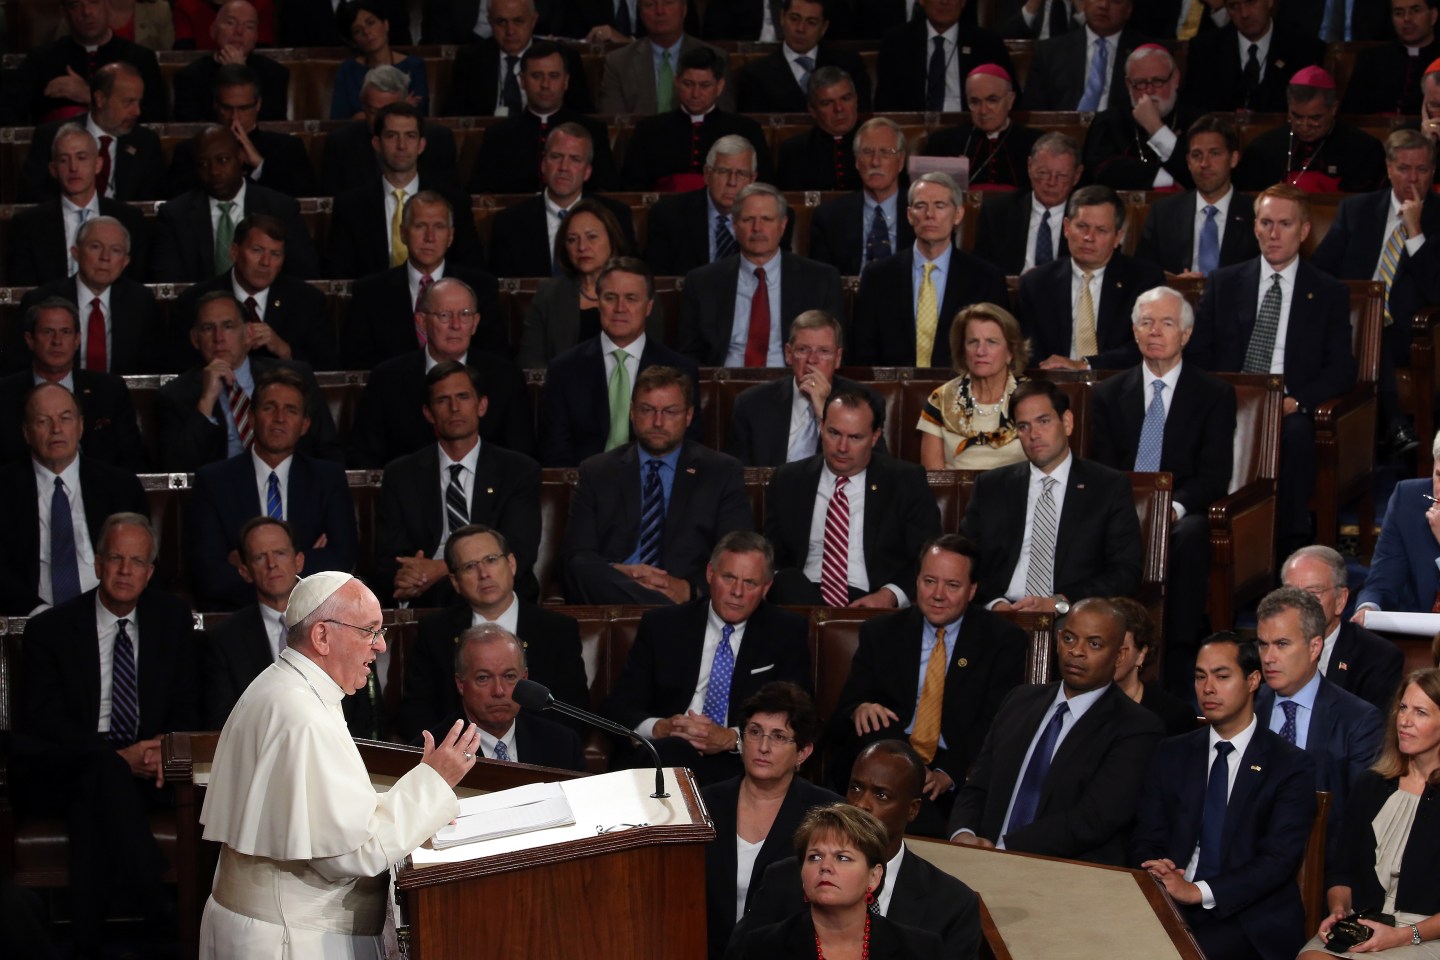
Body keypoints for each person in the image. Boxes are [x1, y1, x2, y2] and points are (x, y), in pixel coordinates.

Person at [198, 571, 480, 958]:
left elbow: (327, 815)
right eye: (369, 631)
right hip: (291, 940)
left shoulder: (283, 687)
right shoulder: (303, 714)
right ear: (322, 637)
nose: (380, 646)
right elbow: (353, 853)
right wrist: (433, 783)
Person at [19, 513, 199, 955]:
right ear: (98, 564)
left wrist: (160, 748)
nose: (125, 570)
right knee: (98, 775)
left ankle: (88, 942)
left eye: (137, 561)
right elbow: (44, 720)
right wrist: (116, 757)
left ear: (150, 572)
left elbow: (189, 701)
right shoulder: (51, 629)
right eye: (116, 558)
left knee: (96, 794)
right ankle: (154, 898)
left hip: (150, 772)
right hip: (70, 767)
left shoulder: (171, 619)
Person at [1186, 183, 1358, 560]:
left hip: (1290, 405)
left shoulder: (1328, 291)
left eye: (1284, 223)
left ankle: (1289, 545)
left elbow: (1341, 369)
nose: (1274, 233)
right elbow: (1199, 355)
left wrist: (1298, 401)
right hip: (1227, 400)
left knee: (1295, 435)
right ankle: (1202, 534)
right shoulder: (1225, 282)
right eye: (1266, 223)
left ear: (1305, 230)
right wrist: (1220, 397)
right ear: (1255, 227)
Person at [1132, 632, 1317, 960]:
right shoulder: (1171, 752)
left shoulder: (1289, 765)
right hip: (1168, 902)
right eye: (1200, 677)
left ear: (1253, 680)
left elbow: (1276, 861)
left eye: (1222, 676)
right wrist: (1158, 871)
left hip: (1249, 917)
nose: (1208, 688)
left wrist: (1197, 891)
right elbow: (1147, 836)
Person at [1090, 285, 1236, 694]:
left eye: (1167, 323)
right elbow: (1102, 468)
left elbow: (1214, 475)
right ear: (1134, 332)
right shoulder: (1106, 393)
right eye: (1146, 322)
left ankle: (1176, 663)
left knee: (1188, 537)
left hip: (1179, 512)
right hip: (1121, 508)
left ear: (1185, 335)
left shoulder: (1214, 394)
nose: (1155, 331)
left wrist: (1172, 508)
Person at [947, 597, 1166, 863]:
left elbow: (1094, 818)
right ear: (1059, 638)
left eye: (1094, 644)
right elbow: (978, 785)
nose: (1077, 651)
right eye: (1070, 639)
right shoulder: (1020, 700)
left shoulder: (1137, 727)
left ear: (1119, 655)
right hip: (981, 858)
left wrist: (1002, 850)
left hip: (1064, 873)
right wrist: (963, 834)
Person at [836, 535, 1028, 834]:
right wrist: (861, 707)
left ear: (972, 589)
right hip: (887, 758)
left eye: (952, 585)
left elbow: (995, 723)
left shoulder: (1002, 641)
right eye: (929, 581)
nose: (938, 594)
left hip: (952, 771)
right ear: (916, 581)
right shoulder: (881, 633)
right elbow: (848, 703)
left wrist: (948, 774)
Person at [740, 741, 982, 958]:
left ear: (913, 809)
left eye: (881, 795)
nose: (861, 804)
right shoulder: (783, 879)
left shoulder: (953, 905)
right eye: (855, 788)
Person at [603, 531, 809, 780]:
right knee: (672, 751)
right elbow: (620, 707)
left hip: (743, 765)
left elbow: (799, 717)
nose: (737, 591)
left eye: (750, 583)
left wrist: (732, 738)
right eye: (729, 577)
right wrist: (661, 728)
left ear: (766, 587)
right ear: (710, 574)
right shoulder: (662, 626)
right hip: (666, 755)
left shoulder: (786, 632)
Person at [563, 365, 751, 603]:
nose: (658, 422)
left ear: (689, 415)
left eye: (670, 411)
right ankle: (659, 606)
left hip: (682, 592)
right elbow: (577, 555)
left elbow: (738, 554)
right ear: (632, 412)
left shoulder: (721, 471)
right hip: (614, 588)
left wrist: (688, 589)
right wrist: (622, 573)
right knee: (579, 568)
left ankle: (659, 607)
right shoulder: (597, 471)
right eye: (647, 410)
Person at [1312, 128, 1440, 461]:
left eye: (1422, 170)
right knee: (1367, 321)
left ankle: (1395, 422)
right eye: (1404, 169)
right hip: (1348, 323)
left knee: (1375, 325)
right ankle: (1392, 426)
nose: (1412, 178)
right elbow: (1320, 272)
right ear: (1388, 168)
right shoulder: (1357, 210)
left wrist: (1415, 233)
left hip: (1412, 333)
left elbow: (1437, 290)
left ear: (1433, 171)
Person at [397, 523, 588, 743]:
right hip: (459, 756)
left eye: (491, 560)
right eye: (469, 566)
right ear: (455, 582)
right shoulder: (435, 631)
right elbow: (416, 711)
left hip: (539, 756)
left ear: (512, 564)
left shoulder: (557, 629)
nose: (484, 574)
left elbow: (573, 711)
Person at [186, 367, 358, 610]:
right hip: (242, 617)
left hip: (313, 614)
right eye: (269, 408)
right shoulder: (213, 481)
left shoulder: (328, 478)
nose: (279, 418)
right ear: (252, 417)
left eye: (291, 410)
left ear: (305, 424)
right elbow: (209, 573)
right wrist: (302, 560)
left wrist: (250, 564)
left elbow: (341, 560)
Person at [962, 379, 1143, 609]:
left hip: (1073, 617)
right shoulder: (991, 487)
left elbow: (1125, 573)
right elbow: (966, 563)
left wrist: (1060, 603)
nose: (1034, 434)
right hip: (1000, 614)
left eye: (1044, 421)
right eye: (1023, 426)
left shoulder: (1108, 487)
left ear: (1067, 422)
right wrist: (996, 604)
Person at [1297, 668, 1440, 959]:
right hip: (1364, 922)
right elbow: (1342, 871)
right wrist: (1338, 910)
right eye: (1402, 708)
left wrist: (1402, 935)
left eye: (1421, 712)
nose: (1405, 721)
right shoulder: (1371, 784)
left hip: (1423, 933)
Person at [374, 360, 541, 607]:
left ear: (481, 405)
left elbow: (518, 551)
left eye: (463, 397)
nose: (454, 408)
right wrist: (412, 575)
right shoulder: (401, 474)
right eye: (442, 400)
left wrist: (443, 568)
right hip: (427, 594)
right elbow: (389, 557)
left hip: (498, 589)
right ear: (428, 413)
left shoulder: (518, 470)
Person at [201, 516, 386, 738]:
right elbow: (224, 722)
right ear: (245, 571)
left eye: (280, 553)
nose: (272, 564)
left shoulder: (349, 625)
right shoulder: (223, 639)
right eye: (260, 557)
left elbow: (369, 716)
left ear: (299, 560)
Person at [1254, 587, 1386, 884]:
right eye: (1263, 645)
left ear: (1315, 647)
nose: (1269, 657)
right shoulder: (1246, 707)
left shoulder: (1359, 720)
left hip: (1322, 874)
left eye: (1282, 644)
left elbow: (1360, 820)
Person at [765, 389, 942, 607]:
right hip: (802, 597)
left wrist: (889, 596)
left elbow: (927, 557)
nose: (842, 447)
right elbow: (772, 555)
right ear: (821, 427)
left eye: (855, 437)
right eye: (834, 433)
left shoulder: (905, 481)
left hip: (874, 598)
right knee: (787, 581)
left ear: (875, 436)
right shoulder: (788, 480)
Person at [702, 683, 840, 958]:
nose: (763, 747)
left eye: (779, 736)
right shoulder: (703, 804)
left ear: (803, 752)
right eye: (755, 732)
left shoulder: (827, 814)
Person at [350, 276, 534, 466]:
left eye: (464, 314)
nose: (456, 325)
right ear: (422, 322)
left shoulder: (506, 377)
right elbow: (364, 456)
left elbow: (520, 458)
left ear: (475, 322)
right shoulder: (387, 379)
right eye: (444, 315)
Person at [0, 382, 148, 614]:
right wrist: (37, 613)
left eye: (65, 418)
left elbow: (142, 561)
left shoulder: (121, 486)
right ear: (26, 432)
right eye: (43, 421)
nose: (56, 429)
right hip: (32, 618)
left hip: (108, 614)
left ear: (80, 427)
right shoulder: (5, 488)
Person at [539, 258, 701, 467]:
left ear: (649, 306)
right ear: (598, 303)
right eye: (610, 298)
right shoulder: (564, 369)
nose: (620, 308)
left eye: (631, 298)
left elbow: (688, 446)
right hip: (584, 487)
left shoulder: (680, 369)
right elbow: (555, 451)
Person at [154, 292, 341, 471]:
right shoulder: (175, 395)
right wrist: (206, 402)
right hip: (221, 495)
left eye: (228, 326)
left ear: (247, 332)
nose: (218, 338)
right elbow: (176, 469)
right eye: (208, 328)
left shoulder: (297, 375)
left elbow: (328, 450)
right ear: (195, 339)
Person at [728, 803, 943, 959]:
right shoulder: (761, 949)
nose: (825, 866)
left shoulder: (921, 950)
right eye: (815, 857)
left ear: (874, 877)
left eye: (842, 857)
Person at [850, 172, 1008, 368]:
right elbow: (863, 352)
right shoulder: (877, 276)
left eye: (940, 206)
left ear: (958, 214)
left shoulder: (987, 278)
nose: (929, 215)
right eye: (920, 206)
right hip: (892, 393)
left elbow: (996, 354)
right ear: (909, 215)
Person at [678, 182, 844, 368]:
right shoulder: (702, 282)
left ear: (783, 224)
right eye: (748, 219)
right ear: (734, 225)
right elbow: (689, 355)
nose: (757, 228)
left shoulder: (821, 280)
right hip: (724, 385)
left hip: (795, 385)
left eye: (766, 219)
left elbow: (832, 353)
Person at [343, 191, 505, 371]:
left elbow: (494, 359)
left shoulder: (482, 288)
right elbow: (357, 363)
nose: (430, 237)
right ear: (403, 233)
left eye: (439, 227)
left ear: (450, 236)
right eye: (420, 226)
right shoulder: (369, 292)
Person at [326, 102, 483, 278]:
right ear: (377, 143)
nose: (401, 145)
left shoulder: (454, 203)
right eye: (392, 136)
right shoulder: (350, 206)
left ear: (421, 145)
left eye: (410, 136)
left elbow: (471, 271)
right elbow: (338, 274)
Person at [1023, 185, 1165, 371]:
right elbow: (1027, 350)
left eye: (1101, 230)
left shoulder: (1144, 280)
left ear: (1118, 237)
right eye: (1082, 227)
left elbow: (1145, 344)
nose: (1089, 237)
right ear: (1066, 228)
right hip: (1054, 386)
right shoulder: (1036, 283)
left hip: (1119, 385)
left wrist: (1086, 365)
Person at [150, 125, 318, 283]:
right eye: (203, 164)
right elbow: (169, 282)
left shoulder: (281, 209)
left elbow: (303, 275)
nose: (213, 171)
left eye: (223, 160)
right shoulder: (175, 215)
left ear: (240, 157)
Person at [172, 213, 338, 371]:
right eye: (257, 250)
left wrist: (286, 351)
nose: (266, 262)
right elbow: (179, 368)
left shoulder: (308, 301)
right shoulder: (194, 300)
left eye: (275, 254)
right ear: (234, 252)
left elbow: (327, 370)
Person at [725, 310, 885, 467]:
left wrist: (826, 411)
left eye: (823, 351)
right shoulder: (751, 404)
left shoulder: (866, 402)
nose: (812, 360)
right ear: (788, 354)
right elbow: (738, 475)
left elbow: (878, 469)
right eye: (803, 350)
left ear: (838, 358)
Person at [0, 298, 144, 471]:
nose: (57, 341)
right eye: (47, 332)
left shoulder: (110, 390)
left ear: (77, 339)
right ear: (30, 340)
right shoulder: (5, 393)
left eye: (65, 332)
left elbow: (132, 459)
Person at [12, 215, 165, 376]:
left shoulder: (141, 301)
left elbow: (154, 366)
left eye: (115, 250)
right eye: (95, 247)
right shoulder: (40, 300)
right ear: (76, 253)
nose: (105, 258)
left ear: (125, 261)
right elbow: (17, 365)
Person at [467, 40, 619, 194]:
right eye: (536, 76)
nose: (545, 84)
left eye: (553, 76)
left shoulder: (593, 130)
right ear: (522, 81)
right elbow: (481, 195)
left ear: (566, 81)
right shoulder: (498, 135)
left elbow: (607, 192)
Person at [489, 125, 637, 281]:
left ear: (587, 172)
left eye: (575, 159)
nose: (564, 167)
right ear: (543, 165)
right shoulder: (508, 222)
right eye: (556, 157)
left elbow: (632, 279)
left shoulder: (617, 215)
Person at [7, 122, 149, 285]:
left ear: (98, 164)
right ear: (53, 169)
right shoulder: (28, 225)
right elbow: (25, 292)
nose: (73, 168)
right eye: (64, 160)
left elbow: (135, 288)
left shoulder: (130, 219)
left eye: (81, 158)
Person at [516, 198, 645, 367]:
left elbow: (654, 359)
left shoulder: (639, 288)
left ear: (612, 240)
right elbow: (530, 361)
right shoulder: (549, 294)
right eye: (572, 239)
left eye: (592, 237)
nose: (582, 247)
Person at [621, 46, 771, 191]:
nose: (695, 94)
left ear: (719, 86)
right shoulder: (648, 129)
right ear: (677, 82)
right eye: (688, 84)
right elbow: (632, 186)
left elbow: (763, 186)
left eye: (704, 85)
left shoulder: (746, 130)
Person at [441, 623, 587, 769]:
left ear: (524, 679)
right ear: (461, 684)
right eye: (483, 678)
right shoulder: (431, 752)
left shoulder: (562, 744)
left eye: (509, 676)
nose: (499, 691)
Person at [1282, 546, 1405, 715]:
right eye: (1290, 595)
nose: (1299, 605)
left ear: (1340, 600)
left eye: (1313, 594)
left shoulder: (1377, 658)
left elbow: (1372, 733)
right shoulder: (1263, 654)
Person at [0, 0, 165, 126]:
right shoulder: (40, 59)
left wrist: (89, 96)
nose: (87, 12)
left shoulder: (140, 59)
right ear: (64, 12)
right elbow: (9, 118)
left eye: (94, 1)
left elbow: (154, 121)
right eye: (75, 4)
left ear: (108, 5)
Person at [20, 61, 163, 203]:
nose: (137, 111)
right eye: (128, 102)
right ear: (100, 99)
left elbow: (150, 202)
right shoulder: (51, 136)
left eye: (139, 102)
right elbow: (32, 195)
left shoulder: (146, 142)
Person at [166, 63, 315, 199]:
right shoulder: (190, 151)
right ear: (216, 105)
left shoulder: (288, 148)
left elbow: (298, 202)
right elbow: (180, 202)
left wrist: (259, 165)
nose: (235, 117)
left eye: (243, 108)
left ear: (258, 105)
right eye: (227, 108)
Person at [1135, 114, 1258, 276]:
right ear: (1188, 162)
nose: (1204, 164)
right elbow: (1142, 274)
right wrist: (1177, 285)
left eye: (1214, 153)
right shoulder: (1164, 213)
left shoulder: (1255, 213)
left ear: (1233, 159)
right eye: (1196, 155)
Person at [1235, 66, 1386, 193]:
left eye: (1315, 118)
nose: (1304, 126)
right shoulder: (1263, 147)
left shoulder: (1364, 149)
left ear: (1333, 108)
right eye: (1297, 116)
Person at [917, 302, 1029, 470]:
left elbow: (1047, 466)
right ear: (963, 350)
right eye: (973, 341)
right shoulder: (941, 399)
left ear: (1010, 353)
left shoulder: (1033, 398)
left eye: (992, 342)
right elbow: (934, 479)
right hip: (955, 495)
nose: (980, 351)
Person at [319, 65, 461, 197]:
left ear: (406, 103)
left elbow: (449, 197)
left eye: (390, 110)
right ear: (362, 104)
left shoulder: (439, 140)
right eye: (374, 111)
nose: (382, 120)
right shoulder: (340, 143)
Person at [442, 0, 593, 117]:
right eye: (501, 22)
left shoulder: (562, 57)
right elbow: (454, 116)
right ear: (490, 22)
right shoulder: (469, 59)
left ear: (533, 20)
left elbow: (583, 117)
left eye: (518, 21)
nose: (510, 31)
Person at [806, 117, 915, 278]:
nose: (875, 162)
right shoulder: (828, 217)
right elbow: (821, 282)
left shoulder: (922, 212)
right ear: (857, 161)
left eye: (885, 152)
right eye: (867, 152)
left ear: (900, 161)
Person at [643, 134, 763, 278]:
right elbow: (658, 281)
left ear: (752, 180)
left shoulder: (770, 218)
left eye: (741, 174)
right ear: (707, 174)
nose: (732, 182)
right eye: (724, 172)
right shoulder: (668, 215)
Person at [1081, 44, 1197, 191]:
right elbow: (1100, 171)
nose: (1149, 90)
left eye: (1158, 81)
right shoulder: (1108, 122)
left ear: (1175, 79)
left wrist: (1156, 128)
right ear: (1128, 84)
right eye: (1140, 83)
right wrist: (1163, 178)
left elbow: (1199, 172)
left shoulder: (1197, 121)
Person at [1181, 0, 1324, 113]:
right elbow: (1195, 109)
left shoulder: (1303, 48)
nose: (1244, 14)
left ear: (1269, 1)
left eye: (1251, 2)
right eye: (1234, 5)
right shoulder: (1205, 49)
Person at [972, 132, 1082, 275]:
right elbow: (981, 268)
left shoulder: (1088, 217)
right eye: (1043, 173)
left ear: (1077, 175)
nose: (1051, 182)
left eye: (1062, 176)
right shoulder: (997, 211)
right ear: (1030, 167)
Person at [1354, 437, 1440, 622]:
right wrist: (1368, 608)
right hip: (1417, 636)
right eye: (1439, 475)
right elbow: (1382, 582)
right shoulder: (1407, 498)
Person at [732, 0, 872, 113]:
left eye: (811, 22)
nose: (800, 28)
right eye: (794, 19)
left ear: (824, 27)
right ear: (782, 18)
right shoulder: (755, 74)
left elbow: (862, 117)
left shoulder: (849, 65)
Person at [597, 0, 733, 116]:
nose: (660, 11)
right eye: (650, 5)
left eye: (668, 3)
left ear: (684, 9)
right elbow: (614, 122)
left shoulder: (716, 57)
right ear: (641, 13)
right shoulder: (618, 62)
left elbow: (724, 120)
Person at [873, 0, 1012, 111]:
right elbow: (885, 104)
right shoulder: (896, 42)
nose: (945, 1)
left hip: (972, 130)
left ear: (963, 2)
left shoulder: (988, 44)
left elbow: (1009, 99)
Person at [922, 64, 1040, 192]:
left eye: (992, 100)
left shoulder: (1036, 143)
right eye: (975, 102)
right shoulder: (943, 142)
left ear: (1010, 100)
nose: (983, 111)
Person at [171, 1, 289, 123]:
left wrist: (241, 75)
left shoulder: (275, 74)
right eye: (230, 23)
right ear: (213, 30)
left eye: (249, 26)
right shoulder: (188, 77)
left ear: (256, 37)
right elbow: (192, 130)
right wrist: (231, 73)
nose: (239, 31)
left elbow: (272, 128)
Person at [1020, 0, 1145, 111]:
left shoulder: (1146, 54)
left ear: (1128, 11)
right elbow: (1033, 111)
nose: (1103, 5)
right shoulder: (1049, 51)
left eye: (1115, 1)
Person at [1110, 596, 1197, 736]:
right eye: (1099, 645)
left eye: (1120, 647)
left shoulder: (1174, 715)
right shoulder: (1077, 705)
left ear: (1141, 654)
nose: (1109, 655)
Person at [331, 0, 428, 119]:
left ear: (386, 24)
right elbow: (340, 119)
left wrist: (365, 115)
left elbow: (417, 115)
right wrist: (400, 106)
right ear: (353, 41)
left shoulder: (415, 66)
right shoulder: (348, 70)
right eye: (357, 31)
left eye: (371, 23)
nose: (367, 32)